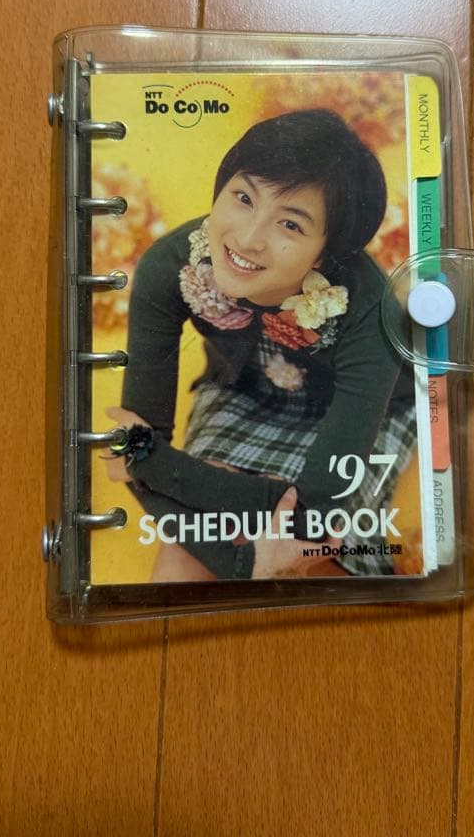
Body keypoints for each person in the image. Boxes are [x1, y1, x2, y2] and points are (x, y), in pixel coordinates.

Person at [104, 109, 416, 581]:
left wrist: (160, 467)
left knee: (311, 565)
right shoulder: (170, 267)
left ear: (327, 253)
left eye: (290, 225)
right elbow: (140, 443)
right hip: (244, 388)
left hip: (366, 411)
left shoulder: (370, 312)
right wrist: (240, 562)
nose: (248, 239)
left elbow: (312, 512)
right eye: (244, 197)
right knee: (177, 574)